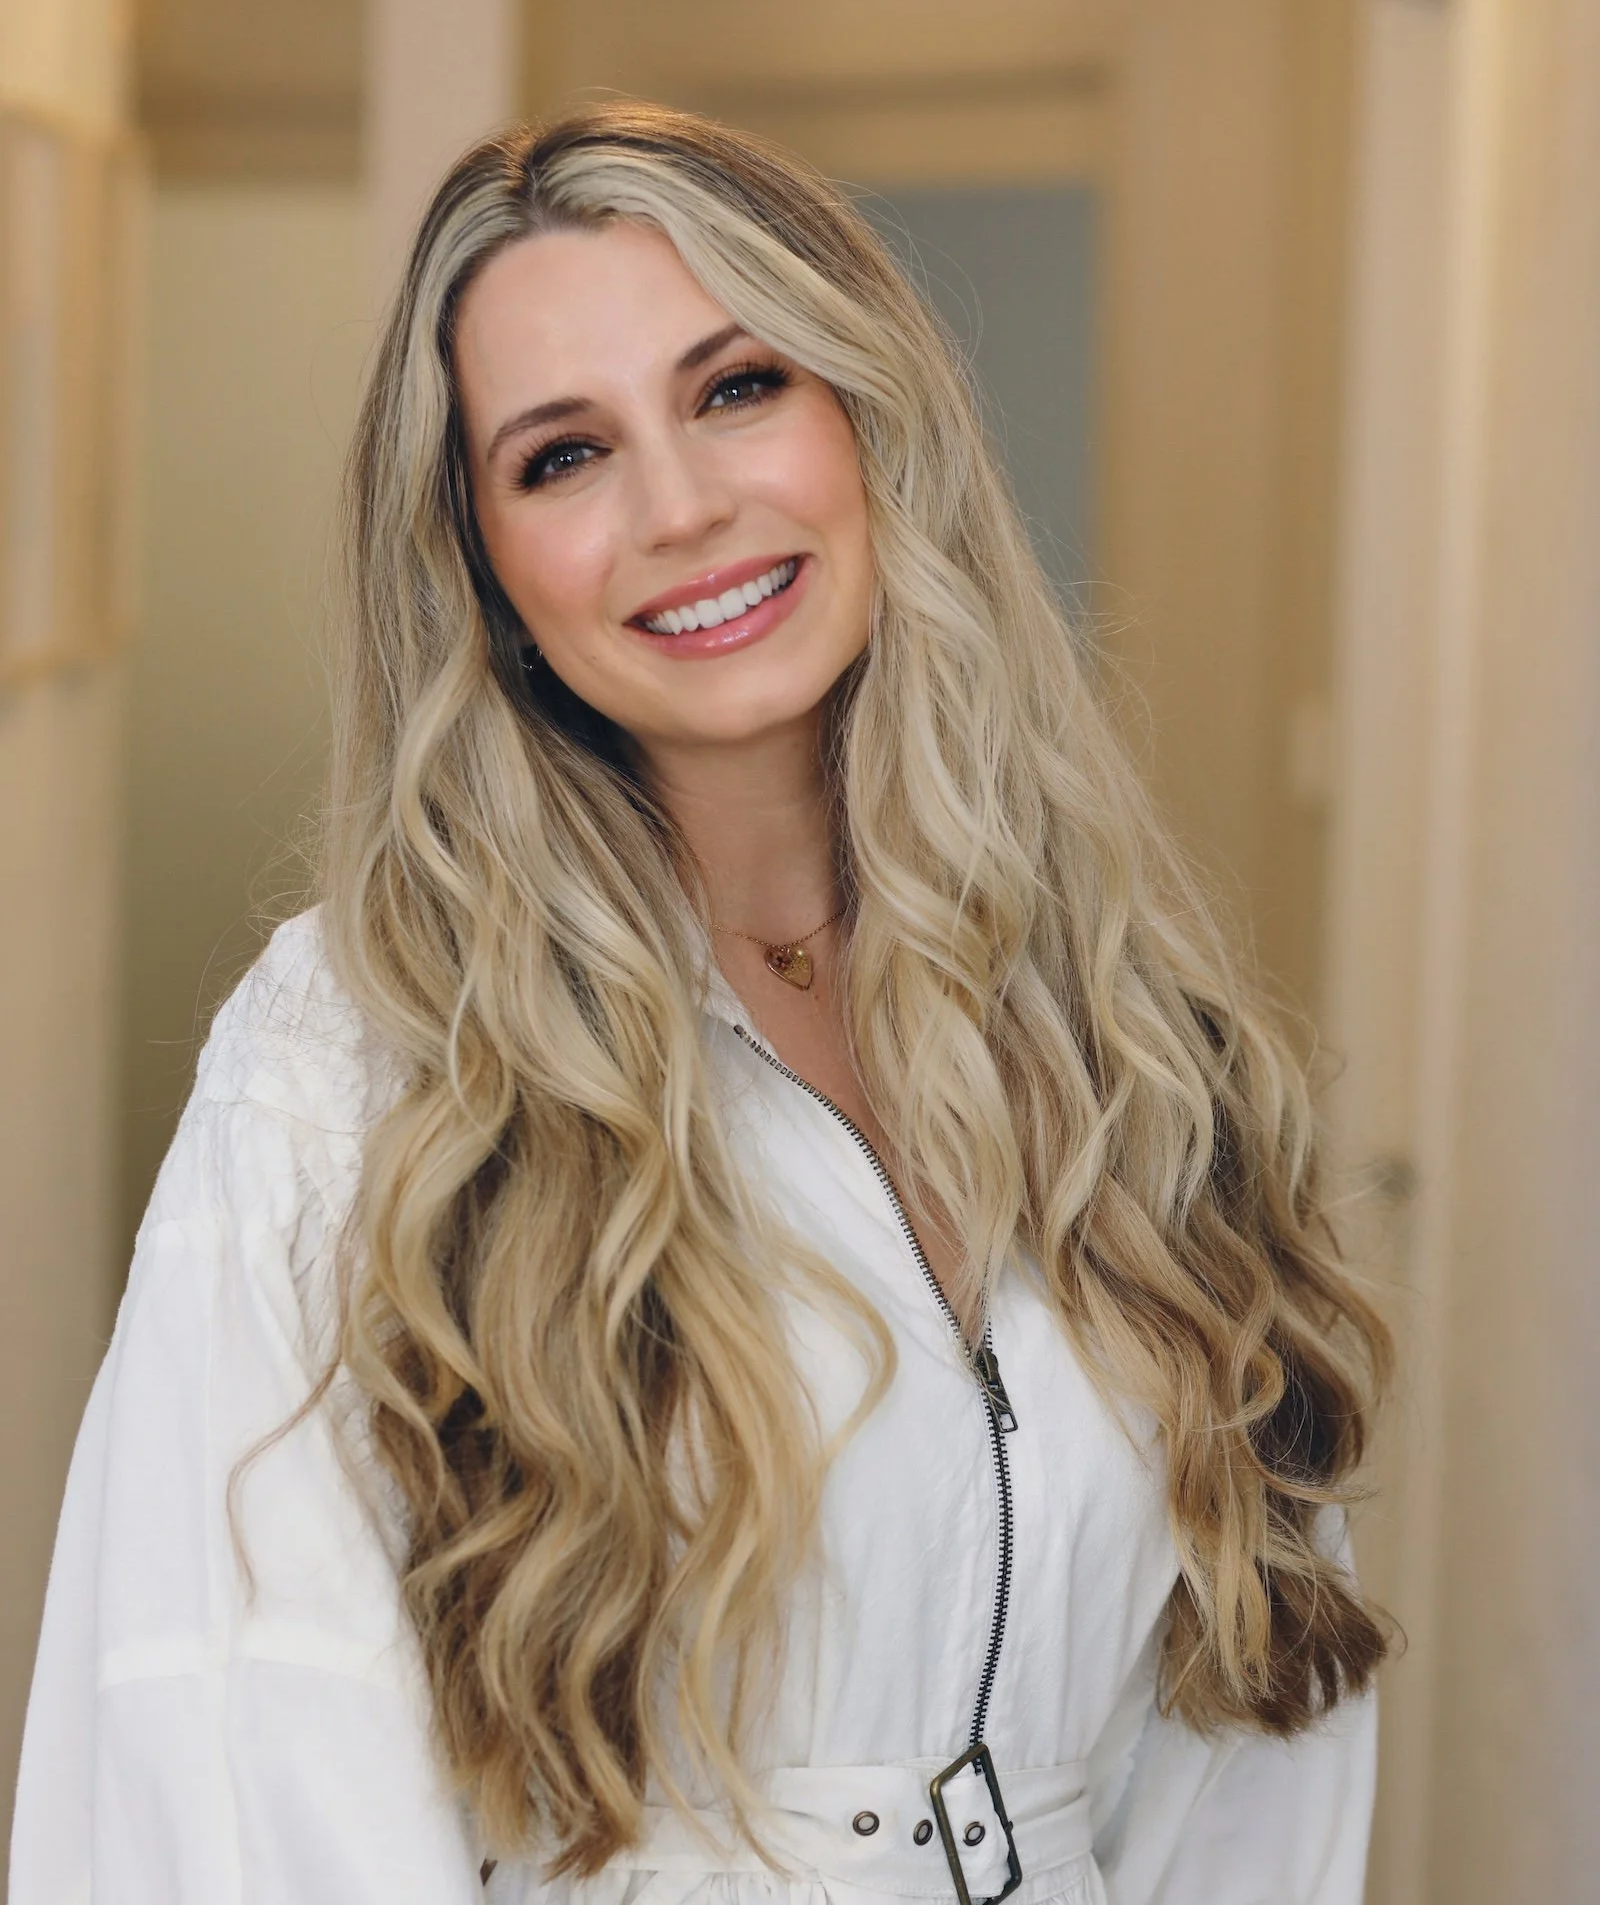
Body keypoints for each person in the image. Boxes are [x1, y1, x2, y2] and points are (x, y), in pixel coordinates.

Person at [10, 102, 1391, 1905]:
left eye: (737, 387)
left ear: (867, 418)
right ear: (484, 572)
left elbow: (1253, 1742)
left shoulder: (1119, 1036)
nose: (681, 508)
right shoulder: (356, 1064)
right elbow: (234, 1785)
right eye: (562, 456)